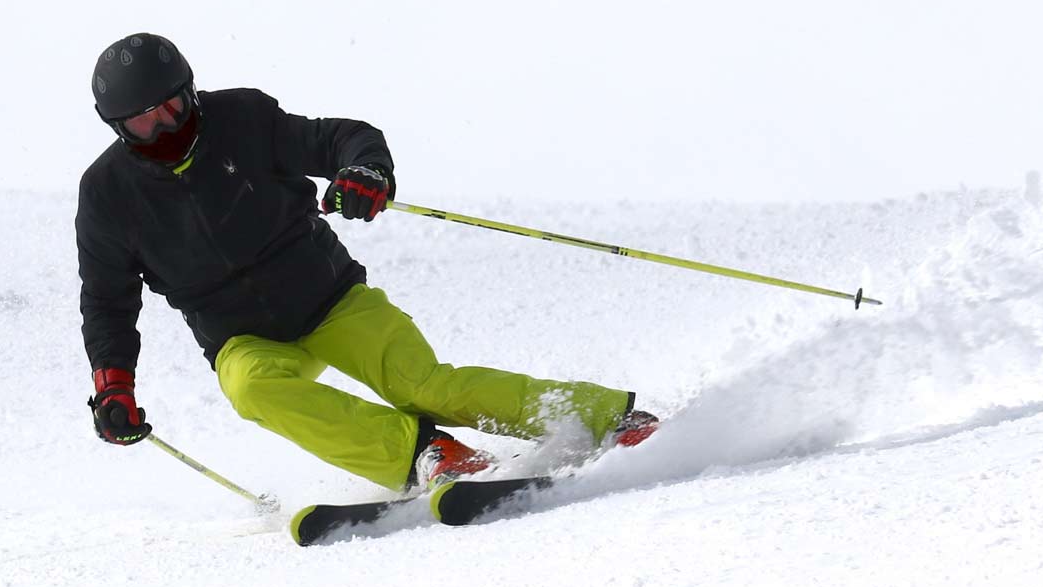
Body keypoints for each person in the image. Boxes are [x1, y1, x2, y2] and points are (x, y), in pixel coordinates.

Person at [78, 33, 658, 492]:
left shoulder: (243, 120)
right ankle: (427, 455)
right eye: (143, 120)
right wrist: (114, 387)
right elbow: (107, 300)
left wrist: (365, 172)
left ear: (190, 91)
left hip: (329, 300)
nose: (165, 125)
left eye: (172, 106)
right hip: (241, 336)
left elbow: (343, 138)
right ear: (118, 126)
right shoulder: (107, 194)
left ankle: (604, 418)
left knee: (426, 387)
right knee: (251, 389)